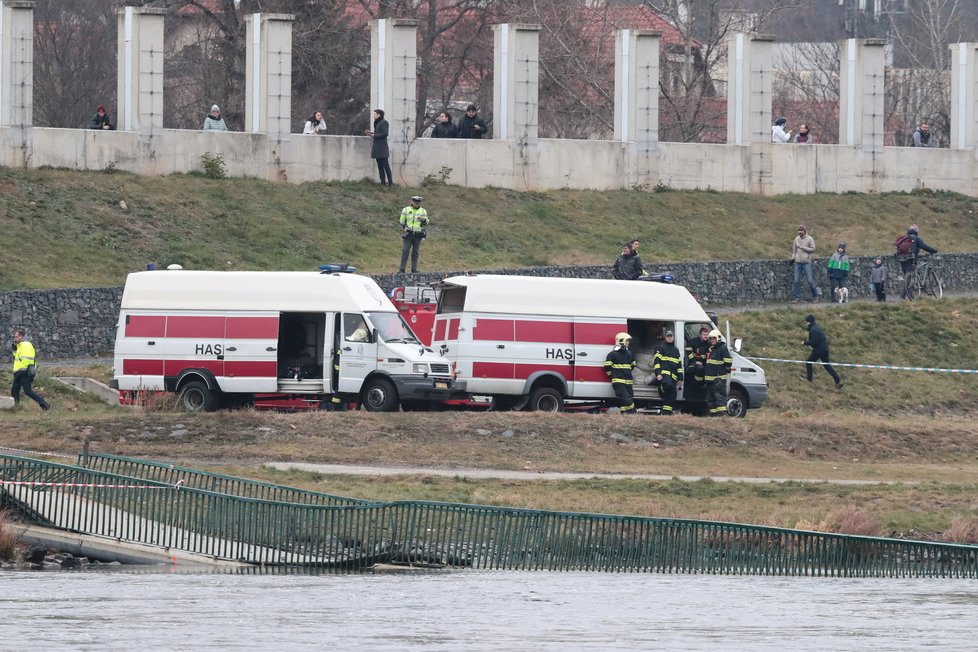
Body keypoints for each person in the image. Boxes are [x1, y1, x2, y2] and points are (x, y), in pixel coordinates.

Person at [10, 328, 50, 411]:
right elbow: (18, 357)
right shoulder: (21, 345)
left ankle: (45, 405)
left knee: (27, 391)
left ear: (21, 336)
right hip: (19, 372)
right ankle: (16, 407)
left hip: (24, 372)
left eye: (16, 337)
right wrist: (14, 349)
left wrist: (22, 370)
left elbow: (27, 359)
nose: (15, 339)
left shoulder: (26, 345)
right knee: (14, 390)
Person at [803, 314, 842, 389]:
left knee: (808, 362)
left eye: (807, 322)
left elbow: (815, 342)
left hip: (818, 350)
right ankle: (838, 381)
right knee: (827, 366)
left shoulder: (813, 330)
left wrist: (805, 343)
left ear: (809, 322)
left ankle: (809, 379)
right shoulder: (817, 328)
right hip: (825, 349)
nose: (806, 323)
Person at [604, 332, 636, 414]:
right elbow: (607, 367)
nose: (628, 342)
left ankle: (624, 414)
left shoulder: (629, 353)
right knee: (626, 399)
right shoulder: (612, 355)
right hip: (618, 382)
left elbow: (633, 364)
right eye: (627, 341)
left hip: (628, 381)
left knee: (626, 399)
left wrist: (626, 372)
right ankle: (633, 412)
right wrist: (612, 375)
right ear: (621, 341)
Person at [652, 330, 683, 415]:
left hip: (673, 377)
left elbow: (679, 366)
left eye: (671, 336)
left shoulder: (676, 350)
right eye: (668, 336)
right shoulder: (660, 348)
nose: (669, 338)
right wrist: (658, 374)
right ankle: (661, 387)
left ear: (673, 338)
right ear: (665, 338)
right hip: (664, 375)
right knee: (669, 387)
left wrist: (680, 379)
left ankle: (666, 411)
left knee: (673, 394)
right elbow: (656, 362)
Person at [398, 195, 429, 274]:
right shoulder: (406, 209)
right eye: (415, 202)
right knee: (405, 251)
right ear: (412, 202)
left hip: (418, 234)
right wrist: (405, 227)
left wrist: (423, 220)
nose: (417, 204)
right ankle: (402, 269)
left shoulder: (423, 211)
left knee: (415, 252)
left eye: (418, 203)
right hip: (409, 233)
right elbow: (401, 220)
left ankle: (414, 269)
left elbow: (427, 222)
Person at [704, 329, 731, 416]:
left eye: (713, 338)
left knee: (719, 398)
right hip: (710, 380)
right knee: (710, 399)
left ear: (718, 338)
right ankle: (714, 417)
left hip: (718, 379)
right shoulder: (711, 349)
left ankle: (722, 415)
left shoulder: (722, 348)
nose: (712, 340)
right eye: (711, 339)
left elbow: (728, 362)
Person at [791, 225, 819, 303]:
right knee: (796, 281)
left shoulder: (810, 239)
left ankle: (815, 296)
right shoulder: (796, 238)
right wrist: (793, 257)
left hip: (806, 262)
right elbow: (794, 249)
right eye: (799, 230)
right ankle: (797, 298)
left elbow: (813, 249)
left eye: (801, 230)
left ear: (804, 231)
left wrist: (804, 248)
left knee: (810, 281)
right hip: (797, 262)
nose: (799, 232)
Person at [365, 109, 393, 187]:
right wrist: (371, 133)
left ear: (379, 115)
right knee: (380, 166)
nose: (373, 116)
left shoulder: (384, 122)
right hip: (377, 147)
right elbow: (378, 133)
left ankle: (390, 183)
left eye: (375, 114)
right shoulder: (377, 123)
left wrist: (374, 135)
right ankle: (383, 182)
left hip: (382, 147)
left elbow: (385, 134)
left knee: (385, 166)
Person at [684, 325, 711, 403]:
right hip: (693, 363)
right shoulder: (694, 341)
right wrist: (694, 361)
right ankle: (696, 389)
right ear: (700, 335)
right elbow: (688, 351)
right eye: (704, 334)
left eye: (707, 335)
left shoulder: (709, 344)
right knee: (696, 370)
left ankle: (701, 390)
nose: (705, 336)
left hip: (705, 365)